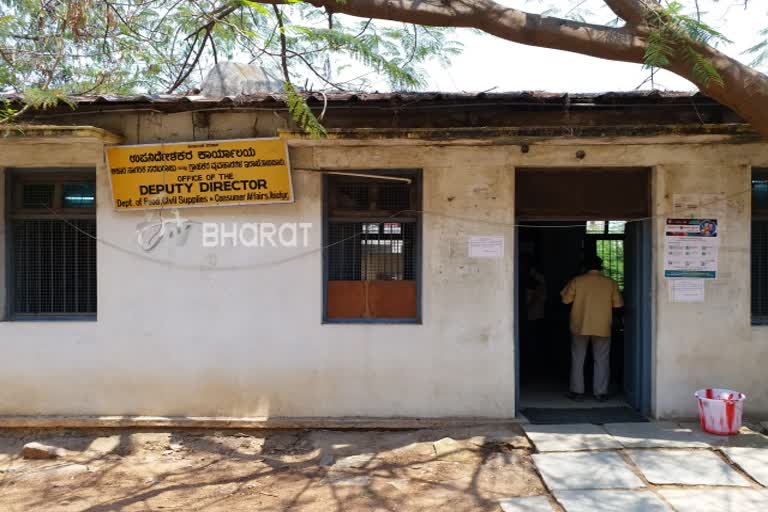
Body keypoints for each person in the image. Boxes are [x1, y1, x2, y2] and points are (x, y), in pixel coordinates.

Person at [560, 255, 623, 401]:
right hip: (602, 326)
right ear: (600, 267)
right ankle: (600, 392)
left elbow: (565, 300)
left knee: (578, 358)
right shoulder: (610, 283)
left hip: (579, 325)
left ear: (584, 267)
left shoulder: (577, 280)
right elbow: (618, 305)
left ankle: (577, 391)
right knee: (602, 359)